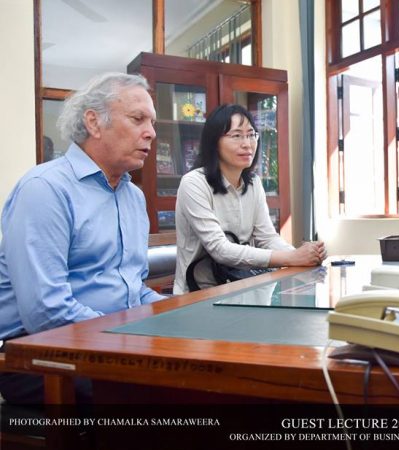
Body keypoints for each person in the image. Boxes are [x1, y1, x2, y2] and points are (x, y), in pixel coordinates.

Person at [0, 72, 165, 403]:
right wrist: (127, 335)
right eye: (138, 119)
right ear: (94, 122)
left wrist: (179, 313)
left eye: (152, 122)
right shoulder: (45, 190)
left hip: (112, 341)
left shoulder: (133, 197)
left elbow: (133, 290)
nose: (151, 132)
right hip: (36, 353)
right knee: (167, 395)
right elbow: (46, 311)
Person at [174, 104, 326, 294]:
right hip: (199, 294)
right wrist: (292, 258)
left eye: (251, 134)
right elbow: (220, 249)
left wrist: (303, 255)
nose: (247, 144)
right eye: (237, 136)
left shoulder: (253, 183)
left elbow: (267, 237)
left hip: (242, 287)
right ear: (214, 142)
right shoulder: (194, 183)